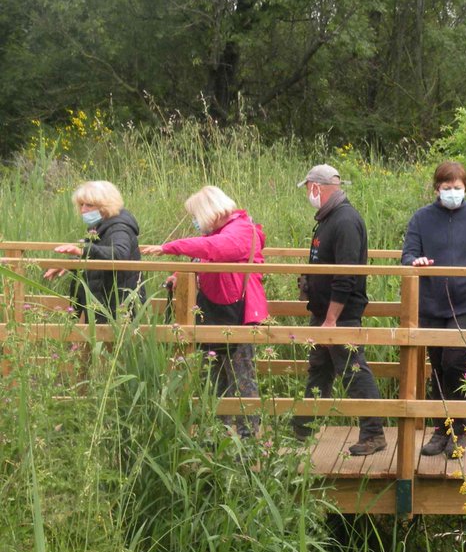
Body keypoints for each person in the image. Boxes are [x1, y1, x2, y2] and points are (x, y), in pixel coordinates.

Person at [142, 186, 266, 438]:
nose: (195, 221)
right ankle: (220, 432)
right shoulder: (220, 232)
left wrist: (170, 247)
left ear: (208, 212)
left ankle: (248, 438)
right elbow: (204, 259)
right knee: (216, 376)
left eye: (196, 216)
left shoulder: (242, 230)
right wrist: (179, 276)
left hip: (239, 314)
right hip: (217, 312)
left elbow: (216, 249)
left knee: (241, 377)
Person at [401, 161, 466, 458]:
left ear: (465, 188)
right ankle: (441, 430)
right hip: (432, 302)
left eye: (457, 187)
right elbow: (408, 254)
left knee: (455, 362)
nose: (452, 192)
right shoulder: (421, 218)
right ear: (437, 189)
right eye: (447, 188)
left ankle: (459, 430)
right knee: (439, 365)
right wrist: (415, 262)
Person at [293, 164, 386, 456]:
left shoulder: (345, 220)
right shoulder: (328, 218)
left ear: (316, 187)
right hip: (325, 313)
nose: (308, 194)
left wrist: (331, 319)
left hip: (340, 315)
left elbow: (346, 275)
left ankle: (374, 433)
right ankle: (302, 430)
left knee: (353, 370)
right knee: (319, 369)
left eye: (308, 188)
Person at [45, 180, 145, 319]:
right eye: (81, 205)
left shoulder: (118, 227)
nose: (83, 210)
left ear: (106, 205)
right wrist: (70, 264)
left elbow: (119, 254)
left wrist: (83, 250)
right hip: (105, 299)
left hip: (118, 304)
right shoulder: (102, 225)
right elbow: (98, 252)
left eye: (89, 205)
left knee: (107, 334)